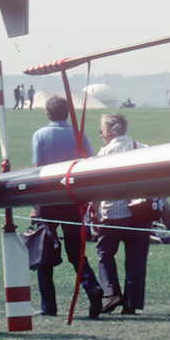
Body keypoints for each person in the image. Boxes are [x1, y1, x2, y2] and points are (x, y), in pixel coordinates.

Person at [31, 95, 106, 319]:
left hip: (49, 200)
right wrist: (92, 200)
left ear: (48, 113)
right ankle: (93, 288)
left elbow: (38, 171)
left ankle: (49, 305)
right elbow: (89, 167)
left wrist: (36, 205)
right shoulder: (79, 135)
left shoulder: (40, 135)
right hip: (73, 200)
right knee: (76, 252)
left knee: (44, 254)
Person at [93, 113, 149, 314]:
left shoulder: (104, 154)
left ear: (108, 131)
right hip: (140, 213)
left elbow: (96, 187)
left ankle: (112, 293)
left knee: (104, 254)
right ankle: (132, 303)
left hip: (112, 214)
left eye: (101, 131)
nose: (101, 135)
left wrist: (94, 209)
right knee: (136, 260)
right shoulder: (142, 148)